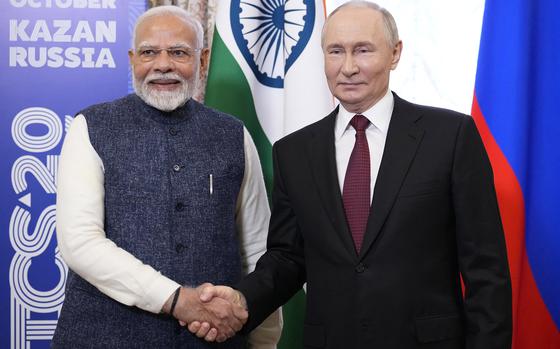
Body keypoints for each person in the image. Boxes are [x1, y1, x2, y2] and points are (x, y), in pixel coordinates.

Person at [193, 1, 512, 348]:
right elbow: (288, 257)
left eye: (362, 50)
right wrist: (242, 301)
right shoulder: (293, 152)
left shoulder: (450, 136)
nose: (347, 68)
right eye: (335, 51)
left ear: (395, 53)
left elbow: (486, 272)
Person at [52, 5, 281, 348]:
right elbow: (80, 242)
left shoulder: (234, 134)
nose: (162, 64)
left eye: (178, 52)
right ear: (132, 59)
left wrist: (264, 342)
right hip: (102, 338)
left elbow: (257, 249)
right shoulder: (91, 127)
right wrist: (177, 299)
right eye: (149, 52)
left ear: (203, 61)